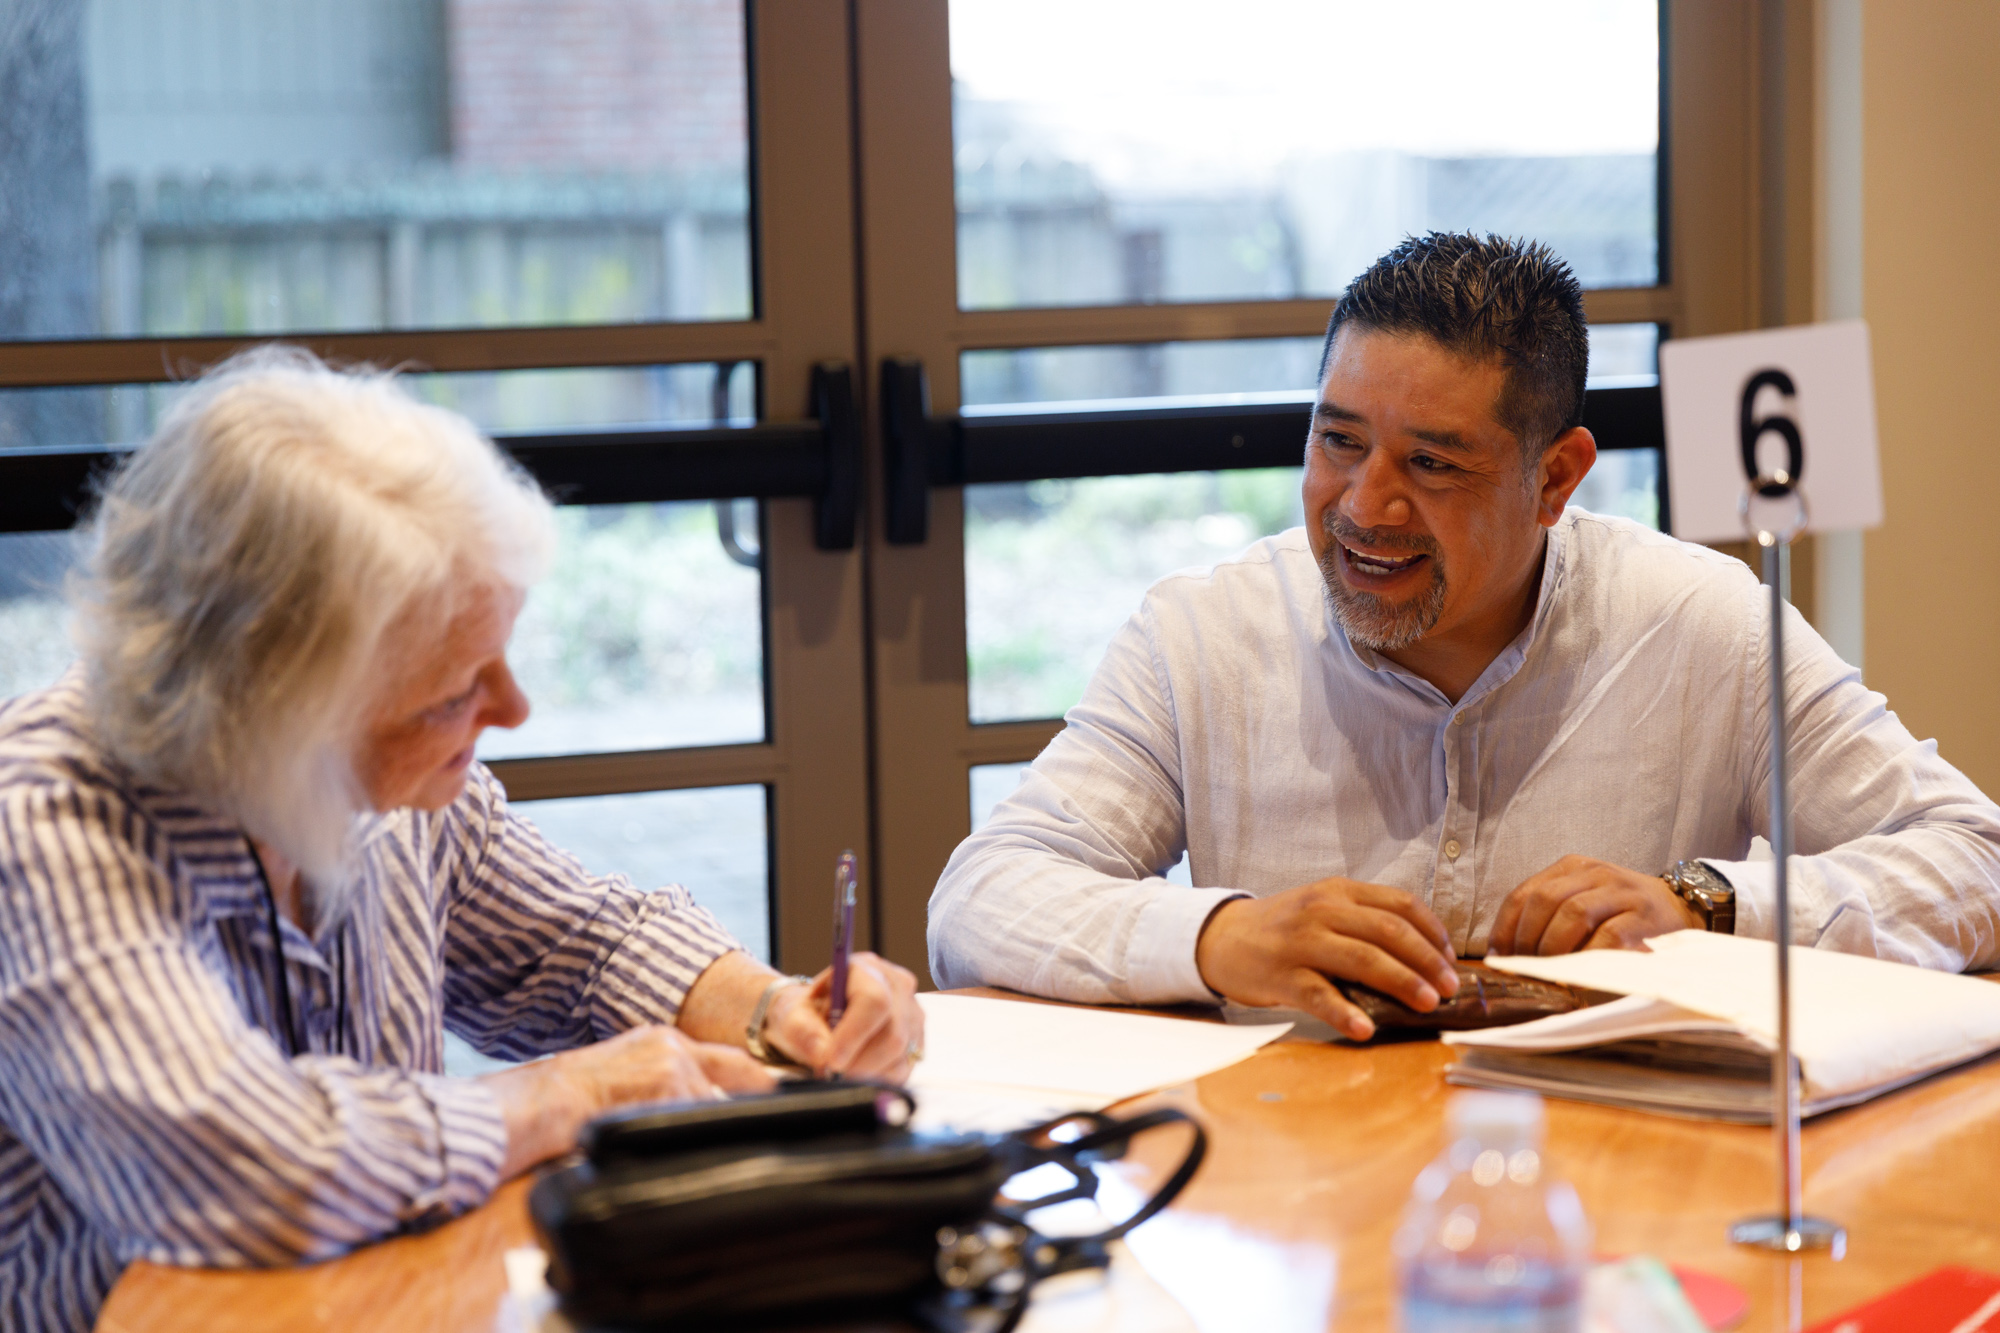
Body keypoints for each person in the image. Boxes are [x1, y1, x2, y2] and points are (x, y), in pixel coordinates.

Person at [0, 348, 923, 1333]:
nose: (512, 709)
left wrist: (774, 1007)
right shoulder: (44, 823)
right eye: (452, 693)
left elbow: (582, 947)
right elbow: (244, 1170)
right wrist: (566, 1095)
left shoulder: (390, 793)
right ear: (280, 713)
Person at [930, 231, 2000, 1042]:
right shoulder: (1202, 633)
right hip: (1289, 1192)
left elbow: (1973, 863)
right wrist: (1215, 938)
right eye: (1335, 442)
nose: (1363, 506)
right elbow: (984, 899)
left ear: (1555, 477)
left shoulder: (1701, 622)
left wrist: (1707, 902)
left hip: (1618, 1175)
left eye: (1432, 465)